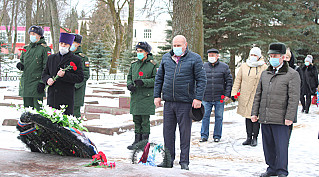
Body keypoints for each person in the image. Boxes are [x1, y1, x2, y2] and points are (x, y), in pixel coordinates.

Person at [154, 35, 207, 170]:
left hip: (185, 102)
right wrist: (157, 96)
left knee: (184, 133)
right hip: (169, 102)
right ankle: (168, 159)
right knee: (167, 132)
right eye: (174, 45)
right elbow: (159, 78)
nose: (176, 48)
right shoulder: (166, 58)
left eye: (179, 45)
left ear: (185, 45)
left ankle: (184, 161)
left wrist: (198, 98)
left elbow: (201, 80)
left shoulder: (194, 59)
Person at [251, 42, 300, 177]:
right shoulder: (265, 73)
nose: (272, 58)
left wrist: (290, 116)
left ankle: (281, 170)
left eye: (275, 55)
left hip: (281, 118)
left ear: (282, 57)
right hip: (266, 116)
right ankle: (271, 168)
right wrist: (254, 113)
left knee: (281, 146)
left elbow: (294, 98)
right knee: (268, 146)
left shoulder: (292, 74)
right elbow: (258, 95)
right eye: (271, 55)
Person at [231, 47, 267, 146]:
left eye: (255, 55)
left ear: (259, 56)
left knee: (255, 117)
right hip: (245, 95)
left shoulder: (264, 67)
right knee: (247, 117)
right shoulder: (244, 66)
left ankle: (255, 137)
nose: (253, 57)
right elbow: (238, 80)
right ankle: (248, 137)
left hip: (257, 96)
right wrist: (234, 93)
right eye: (252, 55)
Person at [42, 33, 84, 115]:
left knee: (64, 122)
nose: (63, 46)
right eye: (61, 43)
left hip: (66, 96)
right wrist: (47, 79)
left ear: (69, 45)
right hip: (52, 96)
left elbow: (80, 77)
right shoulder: (51, 58)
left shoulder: (76, 59)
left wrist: (65, 75)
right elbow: (44, 73)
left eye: (65, 44)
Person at [126, 42, 158, 150]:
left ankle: (144, 142)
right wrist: (129, 85)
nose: (138, 53)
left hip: (146, 96)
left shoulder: (153, 65)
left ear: (147, 52)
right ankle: (137, 140)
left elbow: (156, 80)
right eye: (137, 51)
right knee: (136, 119)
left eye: (141, 51)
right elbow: (129, 76)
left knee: (144, 120)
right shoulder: (134, 64)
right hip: (136, 95)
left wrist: (143, 82)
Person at [200, 48, 233, 143]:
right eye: (210, 55)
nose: (211, 57)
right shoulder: (203, 66)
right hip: (206, 97)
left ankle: (217, 135)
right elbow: (199, 81)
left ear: (217, 56)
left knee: (219, 117)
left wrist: (227, 94)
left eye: (213, 55)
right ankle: (204, 135)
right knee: (205, 116)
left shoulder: (224, 67)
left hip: (220, 97)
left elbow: (229, 81)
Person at [16, 25, 51, 110]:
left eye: (34, 34)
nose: (32, 36)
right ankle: (27, 123)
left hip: (37, 83)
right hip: (26, 83)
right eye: (30, 34)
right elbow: (23, 62)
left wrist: (42, 82)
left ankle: (37, 124)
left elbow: (46, 67)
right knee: (27, 110)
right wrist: (20, 65)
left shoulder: (44, 49)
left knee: (37, 110)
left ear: (40, 35)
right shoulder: (26, 48)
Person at [70, 34, 90, 118]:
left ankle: (76, 130)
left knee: (75, 112)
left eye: (73, 42)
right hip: (65, 90)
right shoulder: (65, 55)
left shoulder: (83, 58)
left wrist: (75, 85)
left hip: (77, 89)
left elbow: (85, 75)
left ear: (78, 44)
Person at [284, 48, 302, 139]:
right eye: (284, 57)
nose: (285, 59)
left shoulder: (296, 70)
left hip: (290, 100)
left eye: (287, 57)